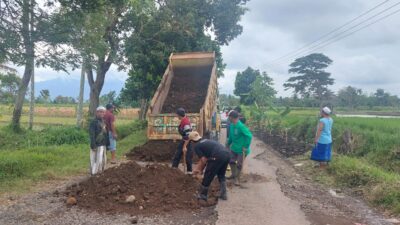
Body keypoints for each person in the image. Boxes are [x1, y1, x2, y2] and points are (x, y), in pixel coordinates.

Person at [190, 131, 230, 201]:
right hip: (227, 154)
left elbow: (204, 160)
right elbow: (204, 160)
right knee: (221, 175)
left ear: (192, 141)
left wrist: (200, 171)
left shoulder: (197, 146)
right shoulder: (206, 140)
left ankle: (203, 195)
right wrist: (201, 169)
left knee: (208, 175)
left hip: (217, 156)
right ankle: (223, 194)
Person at [226, 110, 252, 185]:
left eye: (229, 117)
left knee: (239, 164)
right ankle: (233, 175)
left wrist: (246, 146)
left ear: (233, 118)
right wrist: (228, 144)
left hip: (242, 149)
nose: (229, 119)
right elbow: (231, 136)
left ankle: (237, 179)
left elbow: (249, 136)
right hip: (234, 148)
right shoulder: (231, 125)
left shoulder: (241, 126)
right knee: (231, 161)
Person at [89, 106, 110, 175]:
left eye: (103, 112)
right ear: (97, 112)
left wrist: (107, 144)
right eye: (100, 112)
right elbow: (92, 134)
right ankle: (94, 174)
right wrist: (93, 145)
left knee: (103, 160)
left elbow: (106, 134)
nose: (102, 113)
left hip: (103, 144)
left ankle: (100, 173)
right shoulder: (93, 122)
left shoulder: (104, 122)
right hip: (96, 144)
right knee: (95, 160)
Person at [172, 107, 193, 174]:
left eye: (177, 115)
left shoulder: (186, 122)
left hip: (187, 141)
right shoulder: (183, 121)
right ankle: (173, 170)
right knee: (177, 155)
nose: (177, 116)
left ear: (179, 115)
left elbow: (188, 136)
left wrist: (184, 146)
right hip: (184, 140)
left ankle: (189, 172)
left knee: (188, 158)